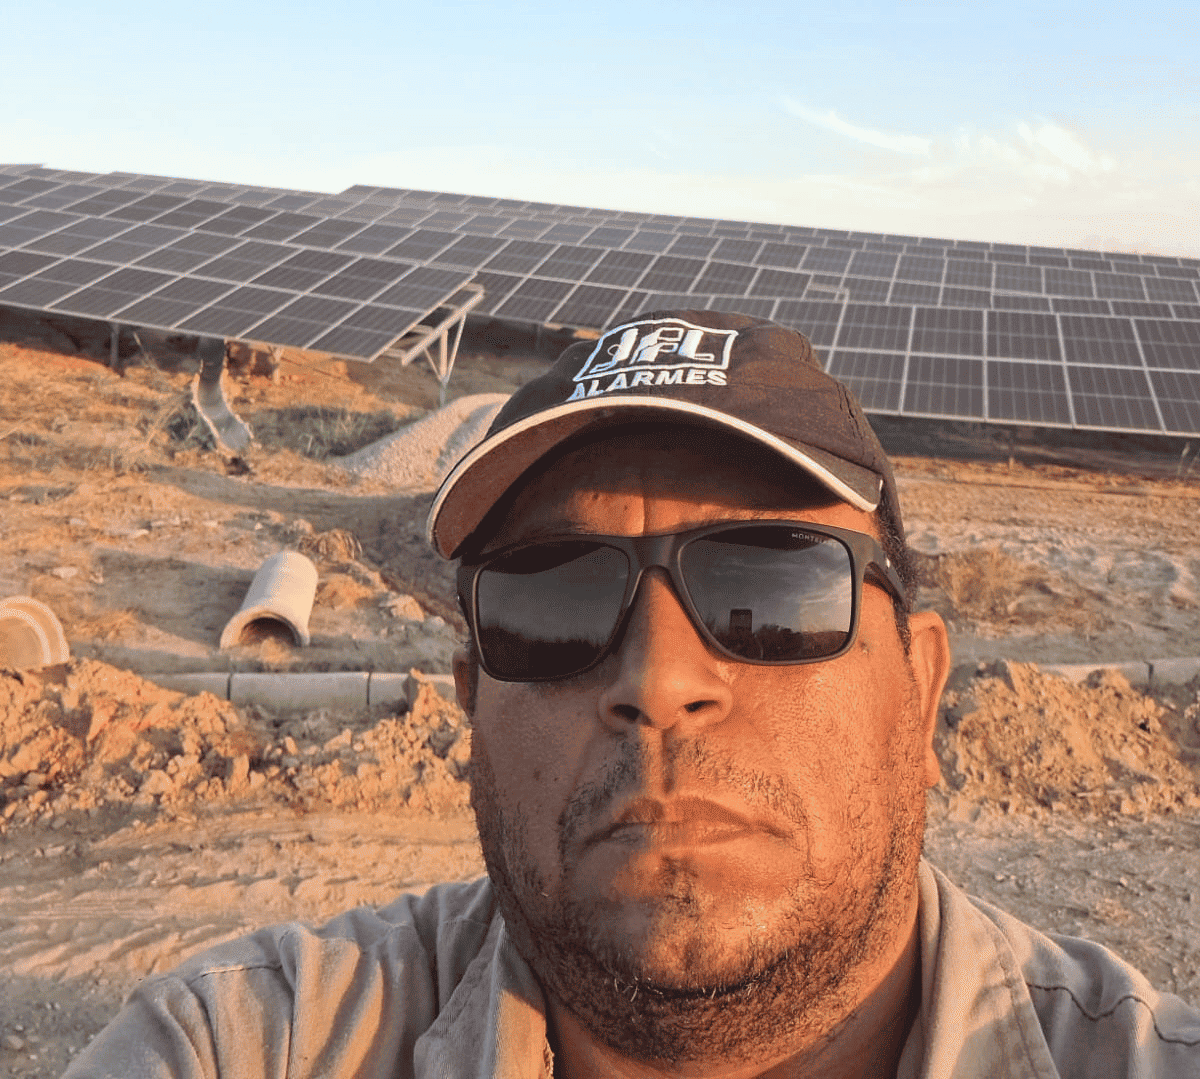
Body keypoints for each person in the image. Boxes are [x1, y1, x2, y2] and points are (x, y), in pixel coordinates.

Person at [67, 311, 1200, 1078]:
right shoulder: (243, 1045)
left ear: (922, 688)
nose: (658, 682)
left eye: (770, 592)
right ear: (471, 707)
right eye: (552, 605)